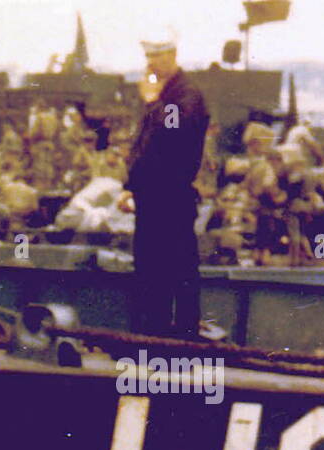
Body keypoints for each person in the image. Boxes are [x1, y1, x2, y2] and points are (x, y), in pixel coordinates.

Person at [120, 30, 209, 338]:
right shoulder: (168, 96)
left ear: (171, 56)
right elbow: (145, 146)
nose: (150, 64)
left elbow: (172, 130)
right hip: (152, 196)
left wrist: (152, 101)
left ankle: (180, 337)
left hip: (171, 197)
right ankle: (153, 333)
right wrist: (131, 185)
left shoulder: (184, 95)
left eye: (156, 57)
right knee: (150, 267)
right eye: (148, 57)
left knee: (176, 269)